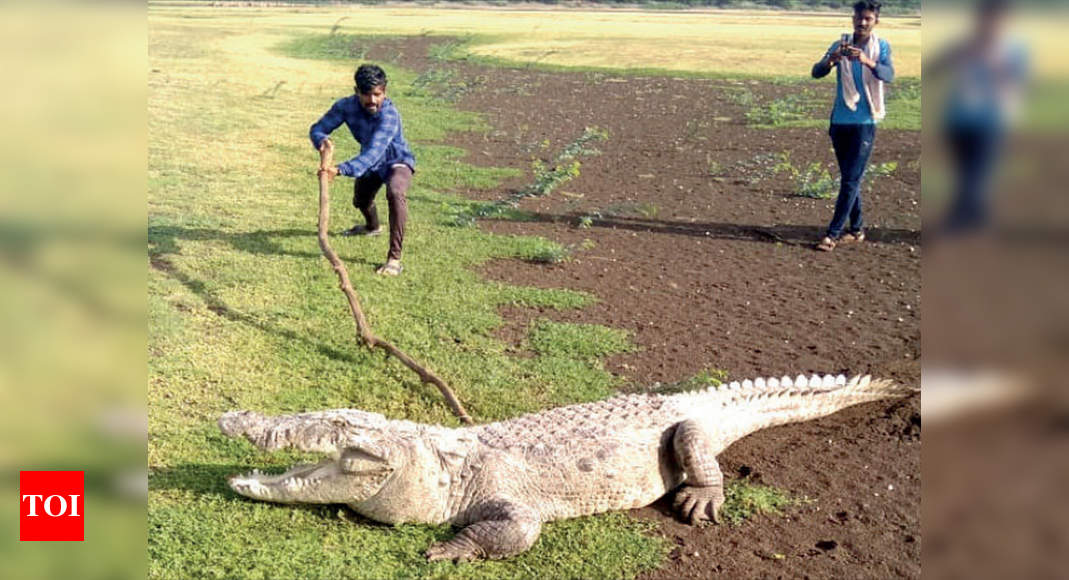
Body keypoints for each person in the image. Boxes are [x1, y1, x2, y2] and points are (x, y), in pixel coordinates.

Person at [929, 0, 1027, 236]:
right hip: (958, 118)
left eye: (997, 19)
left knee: (976, 172)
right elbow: (934, 69)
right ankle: (977, 218)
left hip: (991, 120)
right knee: (963, 170)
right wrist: (955, 55)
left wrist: (997, 66)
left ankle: (958, 220)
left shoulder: (1014, 51)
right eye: (986, 17)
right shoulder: (964, 45)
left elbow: (1017, 85)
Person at [311, 64, 416, 275]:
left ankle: (394, 259)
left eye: (378, 94)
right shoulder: (345, 106)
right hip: (372, 164)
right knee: (361, 200)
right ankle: (372, 227)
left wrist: (340, 169)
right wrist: (321, 141)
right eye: (367, 95)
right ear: (356, 91)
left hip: (396, 161)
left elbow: (373, 153)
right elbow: (318, 128)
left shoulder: (390, 115)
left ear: (384, 91)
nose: (373, 101)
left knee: (395, 192)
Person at [811, 0, 895, 252]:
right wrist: (832, 60)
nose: (863, 22)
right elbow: (816, 72)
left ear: (875, 21)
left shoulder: (880, 47)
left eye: (868, 18)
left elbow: (888, 75)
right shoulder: (840, 44)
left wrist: (867, 61)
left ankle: (832, 234)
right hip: (840, 121)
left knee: (849, 180)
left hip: (864, 123)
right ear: (853, 19)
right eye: (859, 18)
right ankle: (857, 229)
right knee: (850, 178)